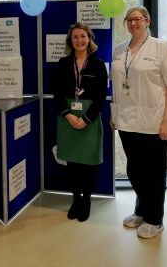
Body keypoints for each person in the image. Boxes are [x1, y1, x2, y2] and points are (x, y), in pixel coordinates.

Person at [110, 6, 167, 239]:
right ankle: (141, 210)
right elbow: (118, 87)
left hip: (153, 121)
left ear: (147, 21)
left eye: (138, 19)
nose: (133, 23)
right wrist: (114, 114)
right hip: (126, 121)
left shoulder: (161, 48)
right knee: (135, 170)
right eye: (129, 20)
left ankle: (154, 219)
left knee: (154, 172)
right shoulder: (120, 49)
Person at [54, 22, 108, 222]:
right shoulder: (62, 63)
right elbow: (58, 94)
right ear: (70, 40)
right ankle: (76, 200)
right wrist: (68, 115)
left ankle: (86, 201)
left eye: (83, 36)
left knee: (88, 164)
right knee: (72, 163)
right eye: (75, 37)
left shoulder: (98, 65)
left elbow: (102, 97)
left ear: (89, 39)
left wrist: (85, 119)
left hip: (90, 120)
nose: (79, 40)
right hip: (67, 118)